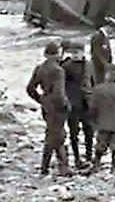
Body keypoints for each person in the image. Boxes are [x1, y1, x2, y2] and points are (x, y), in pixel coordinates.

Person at [27, 41, 71, 176]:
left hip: (46, 104)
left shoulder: (40, 68)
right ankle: (56, 166)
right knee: (57, 135)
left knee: (53, 133)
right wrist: (65, 106)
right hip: (57, 106)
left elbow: (30, 88)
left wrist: (41, 99)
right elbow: (59, 93)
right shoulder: (58, 71)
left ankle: (52, 166)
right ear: (57, 54)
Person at [89, 64, 115, 173]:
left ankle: (97, 164)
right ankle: (114, 166)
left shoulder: (98, 89)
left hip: (102, 122)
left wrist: (93, 121)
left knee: (100, 144)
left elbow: (93, 107)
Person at [60, 40, 93, 169]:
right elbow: (60, 84)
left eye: (77, 52)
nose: (75, 55)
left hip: (87, 103)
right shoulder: (66, 66)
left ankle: (89, 156)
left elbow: (94, 82)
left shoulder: (89, 65)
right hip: (72, 103)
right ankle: (77, 158)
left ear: (83, 52)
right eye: (73, 52)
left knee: (89, 131)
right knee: (74, 133)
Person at [88, 18, 115, 87]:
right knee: (99, 83)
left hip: (103, 65)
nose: (114, 31)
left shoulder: (104, 36)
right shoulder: (98, 35)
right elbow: (96, 51)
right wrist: (105, 63)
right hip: (98, 65)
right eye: (113, 29)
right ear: (107, 26)